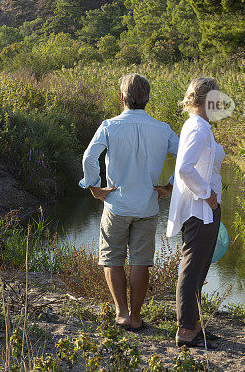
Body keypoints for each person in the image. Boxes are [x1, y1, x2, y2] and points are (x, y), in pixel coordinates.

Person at [79, 73, 179, 331]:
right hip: (147, 205)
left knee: (112, 258)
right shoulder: (162, 128)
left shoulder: (110, 126)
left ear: (122, 98)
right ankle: (136, 316)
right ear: (147, 99)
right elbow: (187, 158)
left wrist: (93, 186)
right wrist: (169, 186)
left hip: (116, 204)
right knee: (140, 261)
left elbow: (90, 157)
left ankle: (122, 313)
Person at [166, 76, 225, 347]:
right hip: (200, 209)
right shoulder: (199, 128)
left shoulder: (198, 125)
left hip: (205, 209)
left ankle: (194, 324)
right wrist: (208, 194)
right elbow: (184, 168)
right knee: (191, 270)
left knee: (198, 269)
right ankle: (186, 330)